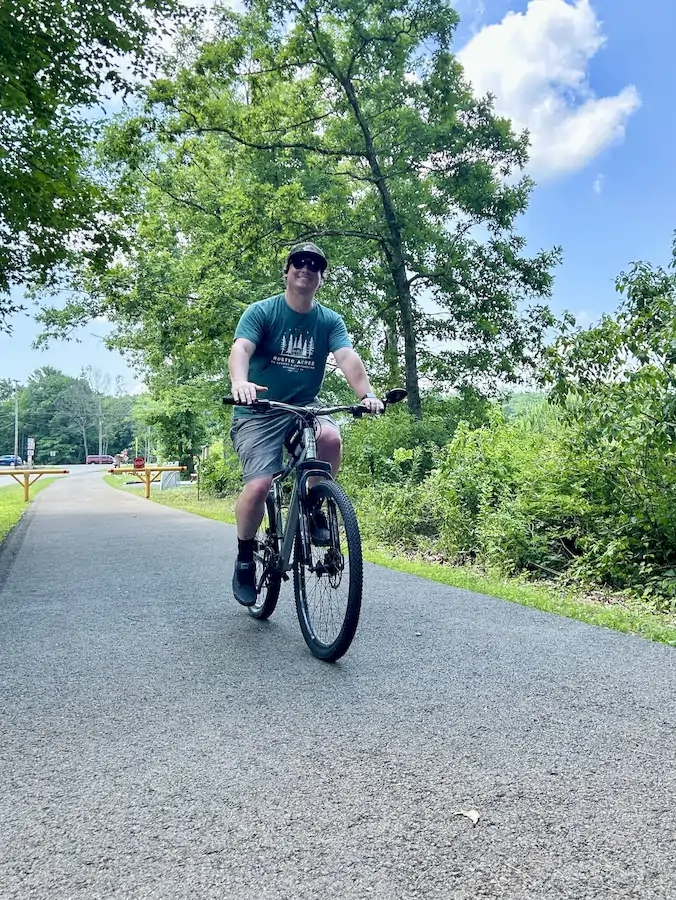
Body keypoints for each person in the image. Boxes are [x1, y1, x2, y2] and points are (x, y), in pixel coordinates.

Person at [228, 241, 383, 606]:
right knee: (259, 486)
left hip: (304, 407)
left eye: (314, 265)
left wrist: (366, 395)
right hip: (260, 411)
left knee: (329, 436)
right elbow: (241, 350)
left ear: (321, 278)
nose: (306, 269)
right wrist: (240, 383)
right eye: (299, 262)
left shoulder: (329, 321)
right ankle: (246, 557)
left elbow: (347, 357)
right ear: (287, 272)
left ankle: (314, 505)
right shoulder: (262, 312)